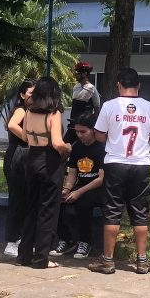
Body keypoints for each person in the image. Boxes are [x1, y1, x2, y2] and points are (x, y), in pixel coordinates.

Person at [88, 67, 150, 275]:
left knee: (112, 210)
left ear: (118, 84)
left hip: (115, 163)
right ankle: (142, 261)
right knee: (139, 212)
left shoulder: (110, 106)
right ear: (138, 86)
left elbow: (99, 135)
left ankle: (108, 260)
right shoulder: (149, 107)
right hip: (140, 165)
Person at [17, 77, 72, 269]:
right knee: (48, 211)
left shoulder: (29, 112)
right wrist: (68, 148)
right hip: (49, 162)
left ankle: (23, 255)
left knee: (31, 208)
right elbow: (57, 142)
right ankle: (41, 258)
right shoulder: (54, 114)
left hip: (31, 159)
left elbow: (24, 137)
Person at [50, 111, 105, 259]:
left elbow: (101, 178)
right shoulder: (76, 148)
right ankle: (66, 239)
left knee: (83, 202)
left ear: (93, 130)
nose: (80, 135)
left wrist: (79, 192)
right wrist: (67, 189)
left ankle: (85, 242)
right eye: (77, 132)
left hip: (99, 189)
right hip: (81, 187)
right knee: (56, 201)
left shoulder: (102, 148)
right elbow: (72, 174)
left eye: (83, 132)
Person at [3, 79, 36, 257]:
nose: (33, 97)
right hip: (17, 157)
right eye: (30, 94)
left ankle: (23, 239)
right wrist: (27, 137)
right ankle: (11, 240)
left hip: (25, 157)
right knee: (17, 200)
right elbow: (11, 125)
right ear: (22, 95)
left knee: (25, 200)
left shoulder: (31, 111)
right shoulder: (21, 110)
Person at [64, 61, 101, 143]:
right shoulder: (76, 87)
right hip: (73, 123)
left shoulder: (92, 89)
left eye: (77, 73)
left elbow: (97, 109)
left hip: (84, 127)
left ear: (84, 74)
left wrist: (92, 124)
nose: (75, 75)